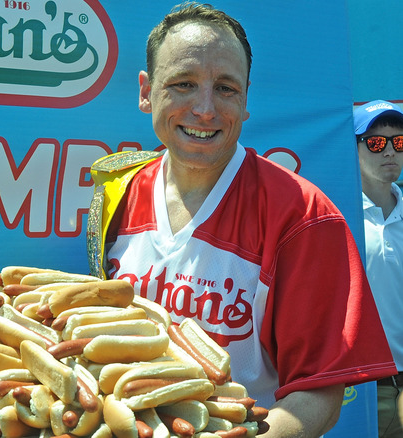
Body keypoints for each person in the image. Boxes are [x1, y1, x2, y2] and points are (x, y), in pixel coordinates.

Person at [85, 3, 397, 436]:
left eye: (226, 88)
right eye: (183, 84)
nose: (206, 109)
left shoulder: (304, 215)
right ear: (146, 91)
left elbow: (318, 395)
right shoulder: (116, 190)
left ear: (246, 98)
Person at [353, 99, 403, 438]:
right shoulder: (336, 217)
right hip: (358, 388)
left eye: (398, 142)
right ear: (353, 149)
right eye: (375, 143)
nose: (389, 152)